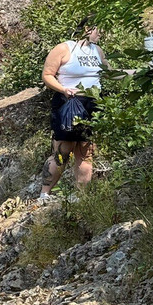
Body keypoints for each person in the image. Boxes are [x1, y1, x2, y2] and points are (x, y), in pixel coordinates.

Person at [39, 16, 107, 200]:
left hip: (92, 103)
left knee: (86, 152)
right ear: (86, 29)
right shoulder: (65, 48)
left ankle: (80, 198)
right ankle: (44, 195)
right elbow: (47, 75)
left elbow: (110, 74)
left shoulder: (98, 51)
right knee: (63, 151)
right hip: (68, 102)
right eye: (97, 29)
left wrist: (140, 72)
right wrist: (63, 89)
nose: (101, 33)